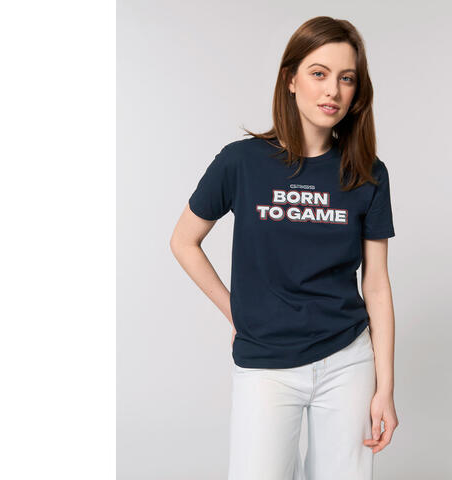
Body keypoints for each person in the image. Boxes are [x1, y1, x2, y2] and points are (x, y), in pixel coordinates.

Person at [170, 16, 399, 480]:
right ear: (290, 79)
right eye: (319, 73)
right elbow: (183, 241)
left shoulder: (368, 173)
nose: (332, 90)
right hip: (266, 363)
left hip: (348, 360)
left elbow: (376, 285)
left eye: (346, 78)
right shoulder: (241, 162)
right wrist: (237, 312)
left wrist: (385, 388)